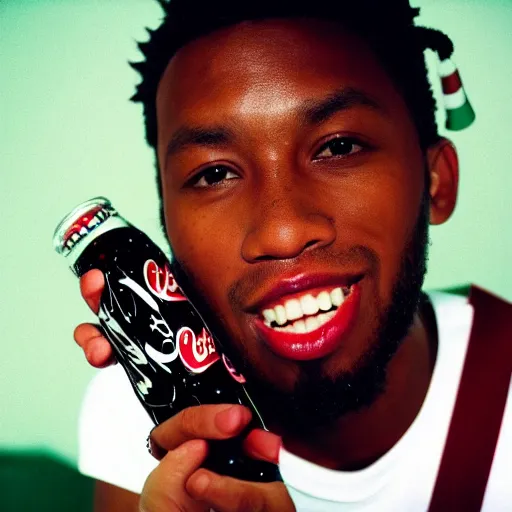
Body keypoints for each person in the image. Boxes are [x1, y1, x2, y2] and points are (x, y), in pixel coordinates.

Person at [72, 0, 511, 510]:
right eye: (214, 174)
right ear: (166, 228)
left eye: (339, 147)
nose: (281, 233)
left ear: (435, 182)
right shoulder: (142, 415)